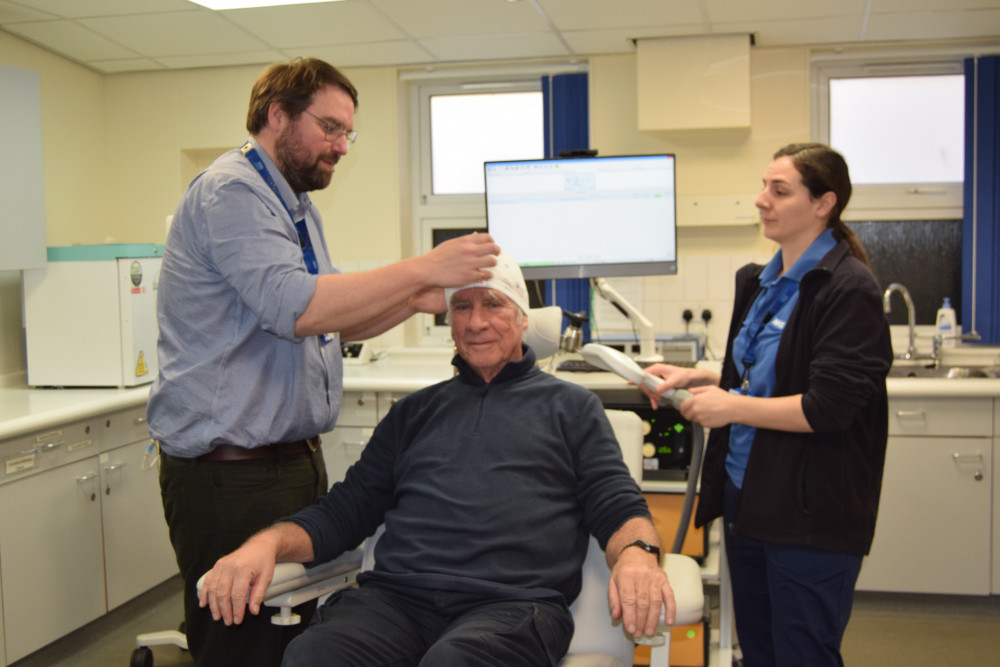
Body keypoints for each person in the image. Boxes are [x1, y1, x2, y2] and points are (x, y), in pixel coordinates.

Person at [147, 57, 499, 667]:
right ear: (276, 114)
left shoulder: (296, 208)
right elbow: (294, 307)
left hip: (287, 466)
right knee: (242, 646)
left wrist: (419, 300)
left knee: (293, 638)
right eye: (330, 128)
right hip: (229, 475)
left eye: (347, 134)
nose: (340, 147)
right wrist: (423, 267)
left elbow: (334, 318)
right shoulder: (232, 191)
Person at [198, 252, 677, 667]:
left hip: (512, 608)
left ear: (522, 317)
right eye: (461, 307)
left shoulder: (573, 409)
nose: (475, 321)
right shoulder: (414, 413)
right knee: (312, 655)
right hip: (396, 602)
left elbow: (617, 505)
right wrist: (264, 545)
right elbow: (344, 512)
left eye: (493, 304)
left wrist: (639, 556)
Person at [643, 143, 892, 666]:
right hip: (749, 497)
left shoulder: (847, 288)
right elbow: (767, 374)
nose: (762, 200)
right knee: (758, 651)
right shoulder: (762, 281)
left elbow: (827, 408)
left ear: (824, 203)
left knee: (802, 654)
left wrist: (730, 407)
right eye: (763, 186)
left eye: (779, 191)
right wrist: (701, 376)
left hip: (810, 513)